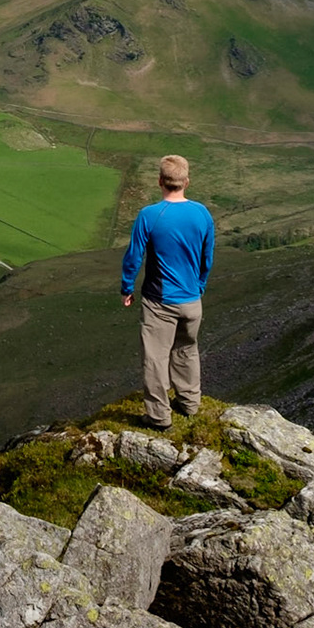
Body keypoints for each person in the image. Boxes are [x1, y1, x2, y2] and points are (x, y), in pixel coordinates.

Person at [120, 154, 215, 429]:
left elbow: (134, 257)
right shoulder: (202, 213)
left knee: (155, 358)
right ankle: (190, 403)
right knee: (187, 350)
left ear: (160, 181)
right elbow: (207, 257)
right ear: (186, 181)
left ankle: (159, 417)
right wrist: (199, 287)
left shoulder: (149, 215)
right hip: (192, 300)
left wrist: (127, 287)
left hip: (159, 301)